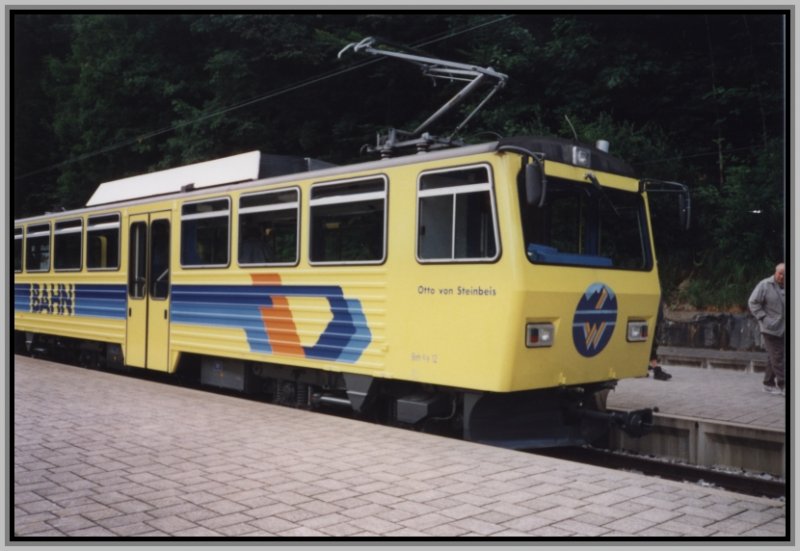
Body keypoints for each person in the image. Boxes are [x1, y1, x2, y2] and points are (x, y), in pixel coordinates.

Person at [748, 263, 786, 395]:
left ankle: (768, 384)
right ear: (775, 272)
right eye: (780, 273)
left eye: (785, 274)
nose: (782, 276)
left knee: (773, 356)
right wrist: (763, 317)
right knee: (778, 356)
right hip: (769, 328)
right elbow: (753, 302)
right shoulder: (765, 285)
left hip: (783, 328)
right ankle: (783, 385)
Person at [648, 299, 672, 380]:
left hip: (655, 317)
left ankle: (649, 367)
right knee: (650, 342)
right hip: (649, 315)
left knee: (652, 342)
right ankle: (655, 368)